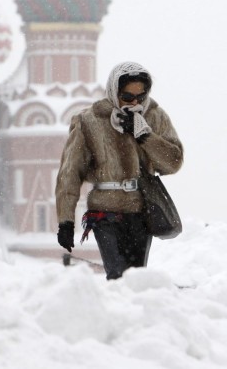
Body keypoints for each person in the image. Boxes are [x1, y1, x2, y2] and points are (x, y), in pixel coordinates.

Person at [55, 61, 183, 279]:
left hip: (141, 210)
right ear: (114, 91)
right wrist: (65, 221)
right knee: (116, 274)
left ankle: (130, 312)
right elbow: (70, 173)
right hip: (105, 212)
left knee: (134, 277)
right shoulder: (90, 120)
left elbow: (173, 163)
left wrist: (145, 136)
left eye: (140, 97)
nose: (134, 103)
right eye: (127, 97)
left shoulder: (155, 116)